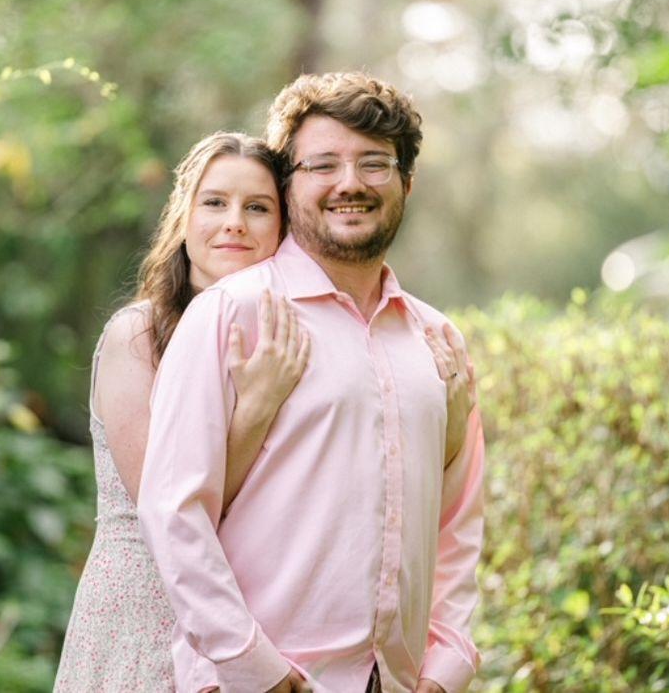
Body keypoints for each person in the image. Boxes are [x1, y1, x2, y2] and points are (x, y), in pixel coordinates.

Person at [139, 72, 485, 693]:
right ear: (290, 183)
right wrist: (255, 668)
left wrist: (446, 666)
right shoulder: (229, 315)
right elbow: (174, 511)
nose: (350, 183)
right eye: (323, 165)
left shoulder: (437, 339)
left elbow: (457, 522)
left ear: (406, 181)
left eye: (374, 163)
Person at [54, 133, 311, 691]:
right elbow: (167, 504)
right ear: (184, 216)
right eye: (215, 202)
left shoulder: (287, 338)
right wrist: (258, 407)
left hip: (251, 612)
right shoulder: (138, 335)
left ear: (283, 227)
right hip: (146, 605)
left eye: (258, 208)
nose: (234, 223)